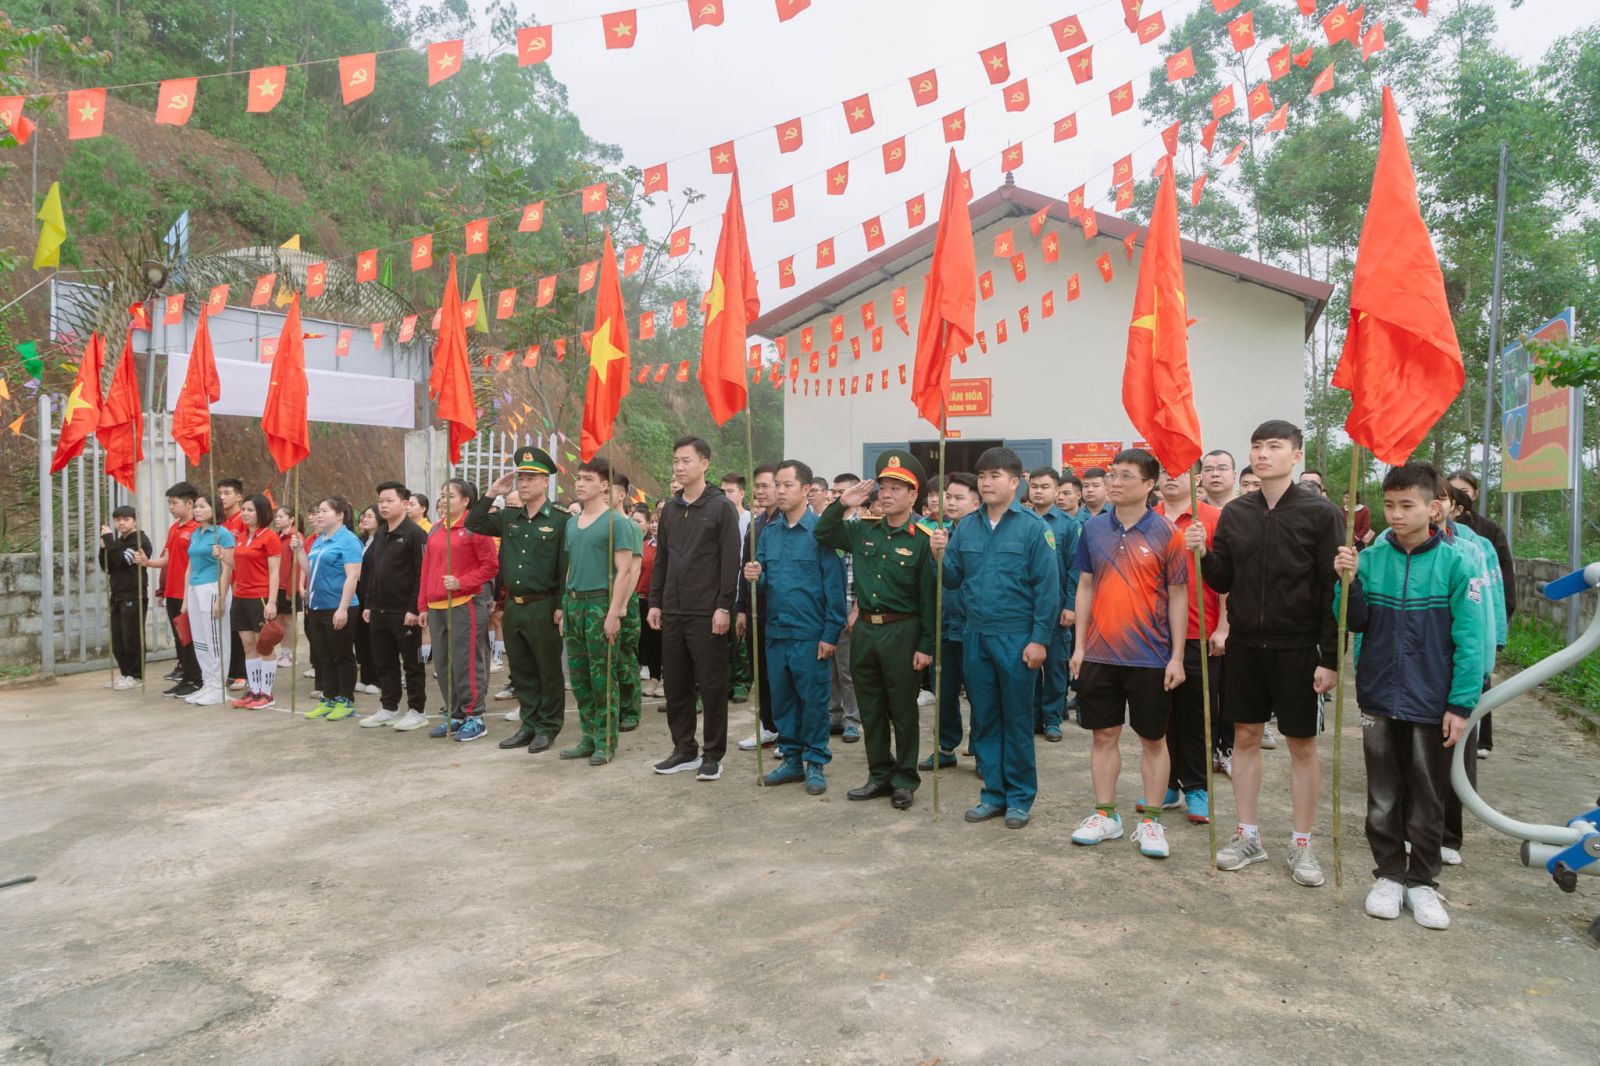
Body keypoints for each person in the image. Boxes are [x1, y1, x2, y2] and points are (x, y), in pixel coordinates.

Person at [1334, 462, 1483, 931]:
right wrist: (1347, 582)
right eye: (1389, 505)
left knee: (1427, 795)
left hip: (1431, 700)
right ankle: (1388, 875)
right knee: (1382, 794)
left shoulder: (1457, 564)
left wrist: (1461, 705)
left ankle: (1422, 881)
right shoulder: (1371, 558)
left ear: (1434, 508)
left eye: (1407, 505)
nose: (1396, 514)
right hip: (1379, 695)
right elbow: (1353, 621)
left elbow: (1471, 642)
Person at [1204, 420, 1344, 886]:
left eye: (1275, 446)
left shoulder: (1321, 514)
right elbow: (1222, 579)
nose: (1263, 454)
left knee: (1300, 744)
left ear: (1296, 455)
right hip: (1245, 646)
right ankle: (1248, 835)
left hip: (1299, 648)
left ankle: (1302, 844)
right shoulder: (1235, 513)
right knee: (1244, 737)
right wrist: (1202, 554)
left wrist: (1331, 658)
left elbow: (1332, 589)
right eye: (1257, 446)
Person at [1062, 450, 1187, 856]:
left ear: (1149, 485)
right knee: (1103, 736)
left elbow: (1178, 595)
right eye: (1112, 475)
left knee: (1153, 739)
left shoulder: (1169, 533)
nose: (1114, 482)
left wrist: (1177, 657)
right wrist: (1080, 646)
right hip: (1100, 654)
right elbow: (1085, 586)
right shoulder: (1093, 529)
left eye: (1125, 476)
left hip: (1150, 656)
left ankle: (1151, 820)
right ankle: (1106, 814)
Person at [930, 448, 1057, 829]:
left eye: (994, 475)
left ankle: (1019, 797)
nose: (986, 482)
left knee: (1016, 719)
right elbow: (953, 579)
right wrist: (939, 555)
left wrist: (1039, 639)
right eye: (982, 475)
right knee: (984, 719)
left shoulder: (1033, 528)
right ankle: (993, 794)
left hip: (1016, 636)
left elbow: (1047, 590)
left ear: (1015, 482)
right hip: (976, 635)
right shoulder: (966, 527)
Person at [818, 451, 936, 811]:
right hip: (866, 631)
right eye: (883, 488)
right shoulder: (863, 529)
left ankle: (905, 779)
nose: (886, 494)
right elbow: (823, 532)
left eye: (896, 489)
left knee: (903, 710)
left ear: (913, 496)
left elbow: (930, 598)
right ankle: (879, 774)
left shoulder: (923, 538)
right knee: (870, 708)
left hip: (903, 631)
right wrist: (843, 503)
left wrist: (926, 644)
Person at [747, 459, 847, 795]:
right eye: (777, 484)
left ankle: (815, 760)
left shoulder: (821, 533)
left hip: (810, 634)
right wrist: (755, 577)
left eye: (787, 485)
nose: (779, 490)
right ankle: (791, 759)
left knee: (813, 700)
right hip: (777, 632)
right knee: (783, 699)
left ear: (806, 490)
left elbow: (835, 589)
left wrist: (830, 634)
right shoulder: (769, 533)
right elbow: (763, 586)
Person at [649, 436, 742, 781]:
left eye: (686, 460)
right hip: (673, 610)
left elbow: (730, 560)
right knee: (676, 684)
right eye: (675, 461)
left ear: (704, 464)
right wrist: (656, 601)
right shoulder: (671, 510)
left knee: (712, 686)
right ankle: (684, 748)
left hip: (707, 612)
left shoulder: (720, 508)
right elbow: (662, 559)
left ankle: (713, 754)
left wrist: (724, 606)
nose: (679, 467)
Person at [471, 448, 569, 754]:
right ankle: (529, 723)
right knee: (522, 669)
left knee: (547, 670)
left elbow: (565, 567)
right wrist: (492, 493)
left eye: (530, 478)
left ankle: (548, 726)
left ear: (545, 482)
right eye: (521, 478)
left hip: (544, 605)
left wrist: (561, 606)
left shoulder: (560, 520)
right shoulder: (508, 517)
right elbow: (474, 522)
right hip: (514, 606)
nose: (523, 483)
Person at [561, 456, 644, 764]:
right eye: (578, 478)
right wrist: (564, 606)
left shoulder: (617, 523)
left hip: (599, 603)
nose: (580, 484)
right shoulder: (572, 522)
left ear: (605, 486)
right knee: (580, 676)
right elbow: (571, 565)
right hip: (574, 602)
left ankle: (605, 740)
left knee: (603, 676)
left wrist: (614, 612)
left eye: (588, 479)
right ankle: (588, 734)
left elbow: (625, 571)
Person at [1154, 464, 1222, 824]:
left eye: (1178, 471)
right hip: (1153, 635)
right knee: (1160, 715)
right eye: (1164, 471)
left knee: (1197, 715)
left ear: (1196, 479)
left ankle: (1197, 787)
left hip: (1200, 631)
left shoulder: (1213, 518)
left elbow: (1227, 577)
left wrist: (1223, 626)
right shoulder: (1147, 519)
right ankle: (1167, 784)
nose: (1170, 477)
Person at [420, 479, 500, 741]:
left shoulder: (475, 528)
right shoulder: (436, 529)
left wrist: (462, 582)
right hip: (436, 606)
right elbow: (427, 569)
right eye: (442, 495)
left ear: (466, 501)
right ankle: (455, 715)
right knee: (443, 665)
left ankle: (474, 716)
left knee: (466, 661)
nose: (443, 500)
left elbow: (491, 566)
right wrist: (422, 604)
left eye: (450, 496)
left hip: (465, 603)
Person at [1448, 468, 1515, 757]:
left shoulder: (1485, 535)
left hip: (1478, 612)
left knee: (1478, 679)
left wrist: (1499, 623)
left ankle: (1481, 740)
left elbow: (1500, 579)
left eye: (1462, 490)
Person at [919, 472, 979, 770]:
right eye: (948, 497)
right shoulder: (938, 535)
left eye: (958, 498)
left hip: (974, 627)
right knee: (943, 691)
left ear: (976, 503)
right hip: (944, 625)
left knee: (980, 693)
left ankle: (982, 750)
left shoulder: (983, 535)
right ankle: (945, 746)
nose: (950, 503)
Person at [358, 481, 429, 731]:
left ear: (405, 503)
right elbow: (373, 572)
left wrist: (415, 609)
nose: (384, 505)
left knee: (412, 664)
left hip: (404, 612)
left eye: (389, 500)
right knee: (385, 662)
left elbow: (422, 574)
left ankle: (417, 710)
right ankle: (389, 707)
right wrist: (369, 604)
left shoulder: (415, 534)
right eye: (381, 501)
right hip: (379, 610)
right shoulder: (380, 534)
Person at [294, 496, 364, 722]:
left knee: (341, 655)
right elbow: (310, 570)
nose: (319, 515)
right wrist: (299, 551)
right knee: (323, 656)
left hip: (339, 605)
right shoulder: (319, 540)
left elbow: (352, 576)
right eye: (318, 511)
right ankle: (329, 697)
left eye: (324, 511)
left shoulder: (349, 541)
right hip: (317, 606)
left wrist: (342, 608)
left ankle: (345, 700)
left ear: (340, 514)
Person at [1025, 466, 1080, 742]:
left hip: (1058, 610)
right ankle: (1033, 717)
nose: (1038, 491)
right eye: (1034, 486)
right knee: (1029, 666)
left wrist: (1071, 605)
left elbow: (1075, 569)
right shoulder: (1021, 521)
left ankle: (1052, 719)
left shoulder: (1068, 526)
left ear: (1057, 490)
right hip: (1027, 609)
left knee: (1057, 666)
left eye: (1045, 487)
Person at [135, 481, 202, 697]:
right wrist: (148, 563)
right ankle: (187, 676)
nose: (171, 507)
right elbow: (168, 558)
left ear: (189, 504)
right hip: (172, 591)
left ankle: (197, 679)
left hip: (189, 592)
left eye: (174, 503)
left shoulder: (198, 529)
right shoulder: (175, 528)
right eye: (169, 503)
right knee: (180, 638)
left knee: (191, 638)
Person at [737, 463, 781, 751]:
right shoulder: (755, 525)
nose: (760, 491)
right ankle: (768, 726)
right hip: (756, 610)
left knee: (781, 675)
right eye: (757, 486)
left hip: (782, 609)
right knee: (760, 671)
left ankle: (787, 730)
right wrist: (741, 608)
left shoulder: (787, 523)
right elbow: (744, 568)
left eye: (766, 486)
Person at [227, 494, 282, 709]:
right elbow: (238, 565)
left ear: (261, 512)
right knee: (248, 645)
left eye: (250, 510)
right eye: (244, 509)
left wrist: (272, 602)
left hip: (259, 596)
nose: (245, 513)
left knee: (264, 645)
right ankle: (254, 690)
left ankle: (267, 693)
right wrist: (223, 555)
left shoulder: (269, 537)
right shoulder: (241, 536)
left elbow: (274, 572)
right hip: (240, 596)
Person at [182, 494, 235, 706]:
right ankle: (209, 682)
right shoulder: (196, 534)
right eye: (196, 506)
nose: (197, 510)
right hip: (195, 588)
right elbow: (190, 567)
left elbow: (229, 567)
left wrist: (220, 598)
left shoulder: (222, 534)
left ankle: (219, 686)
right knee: (200, 639)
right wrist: (186, 598)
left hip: (213, 586)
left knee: (215, 638)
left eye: (202, 506)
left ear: (215, 509)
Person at [98, 505, 153, 689]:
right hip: (117, 595)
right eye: (118, 520)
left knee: (132, 638)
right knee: (119, 640)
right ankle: (125, 673)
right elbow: (108, 566)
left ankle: (136, 676)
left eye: (126, 519)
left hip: (134, 595)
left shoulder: (140, 540)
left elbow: (122, 560)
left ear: (135, 521)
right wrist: (103, 549)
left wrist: (109, 540)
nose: (121, 523)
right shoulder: (119, 542)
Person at [609, 471, 644, 733]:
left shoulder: (629, 526)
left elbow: (634, 568)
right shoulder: (598, 523)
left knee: (624, 656)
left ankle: (630, 710)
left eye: (607, 489)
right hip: (603, 599)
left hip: (623, 602)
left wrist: (621, 603)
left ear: (621, 495)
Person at [720, 473, 753, 705]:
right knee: (722, 639)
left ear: (742, 493)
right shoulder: (719, 517)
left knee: (740, 638)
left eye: (730, 491)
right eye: (722, 491)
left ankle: (742, 682)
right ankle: (726, 681)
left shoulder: (750, 520)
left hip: (743, 585)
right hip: (723, 585)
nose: (726, 496)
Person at [216, 477, 249, 692]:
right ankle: (230, 670)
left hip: (241, 583)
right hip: (224, 581)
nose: (222, 497)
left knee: (240, 630)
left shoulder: (242, 521)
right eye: (219, 493)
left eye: (227, 493)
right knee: (227, 629)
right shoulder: (221, 523)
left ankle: (241, 673)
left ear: (238, 497)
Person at [351, 505, 382, 695]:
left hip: (374, 594)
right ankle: (365, 677)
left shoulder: (382, 540)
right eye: (364, 516)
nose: (364, 519)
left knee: (373, 637)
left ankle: (377, 679)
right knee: (360, 636)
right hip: (358, 593)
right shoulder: (361, 540)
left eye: (370, 516)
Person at [272, 505, 303, 670]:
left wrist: (292, 589)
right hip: (276, 585)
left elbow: (297, 565)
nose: (277, 519)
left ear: (291, 519)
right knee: (279, 619)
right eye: (276, 516)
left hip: (289, 585)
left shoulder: (295, 537)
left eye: (281, 516)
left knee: (289, 620)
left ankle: (290, 653)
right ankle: (283, 651)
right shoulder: (276, 537)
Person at [637, 507, 662, 698]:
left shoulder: (670, 546)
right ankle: (654, 677)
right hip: (644, 599)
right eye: (652, 521)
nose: (654, 525)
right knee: (650, 641)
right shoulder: (645, 545)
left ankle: (666, 679)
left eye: (658, 522)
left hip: (663, 601)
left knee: (664, 642)